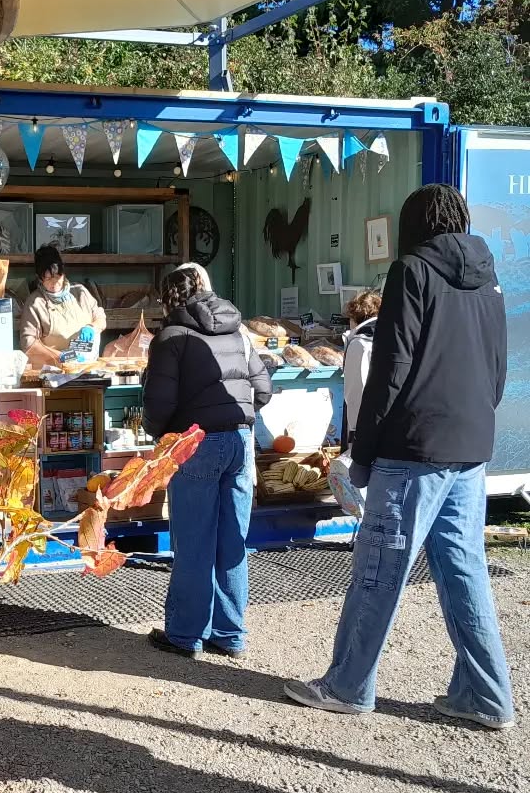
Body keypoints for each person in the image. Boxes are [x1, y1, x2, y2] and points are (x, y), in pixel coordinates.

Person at [284, 184, 513, 729]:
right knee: (464, 571)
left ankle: (346, 685)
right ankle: (486, 696)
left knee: (379, 569)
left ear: (413, 227)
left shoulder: (412, 271)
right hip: (470, 446)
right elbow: (499, 368)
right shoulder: (490, 279)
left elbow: (391, 370)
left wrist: (362, 452)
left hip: (412, 447)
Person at [143, 264, 272, 659]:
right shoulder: (238, 330)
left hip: (194, 442)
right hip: (240, 440)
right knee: (232, 541)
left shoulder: (170, 337)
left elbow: (158, 405)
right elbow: (263, 390)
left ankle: (186, 634)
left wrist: (159, 434)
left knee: (194, 542)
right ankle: (229, 633)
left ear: (168, 299)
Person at [18, 245, 106, 367]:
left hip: (87, 365)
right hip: (54, 369)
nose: (54, 283)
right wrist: (60, 357)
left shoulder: (80, 292)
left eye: (57, 277)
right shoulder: (35, 303)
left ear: (63, 273)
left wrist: (92, 327)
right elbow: (29, 344)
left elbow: (100, 317)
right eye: (48, 279)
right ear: (40, 278)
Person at [342, 289, 381, 444]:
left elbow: (356, 391)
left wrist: (354, 434)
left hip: (365, 427)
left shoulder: (360, 343)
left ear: (354, 316)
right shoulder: (389, 334)